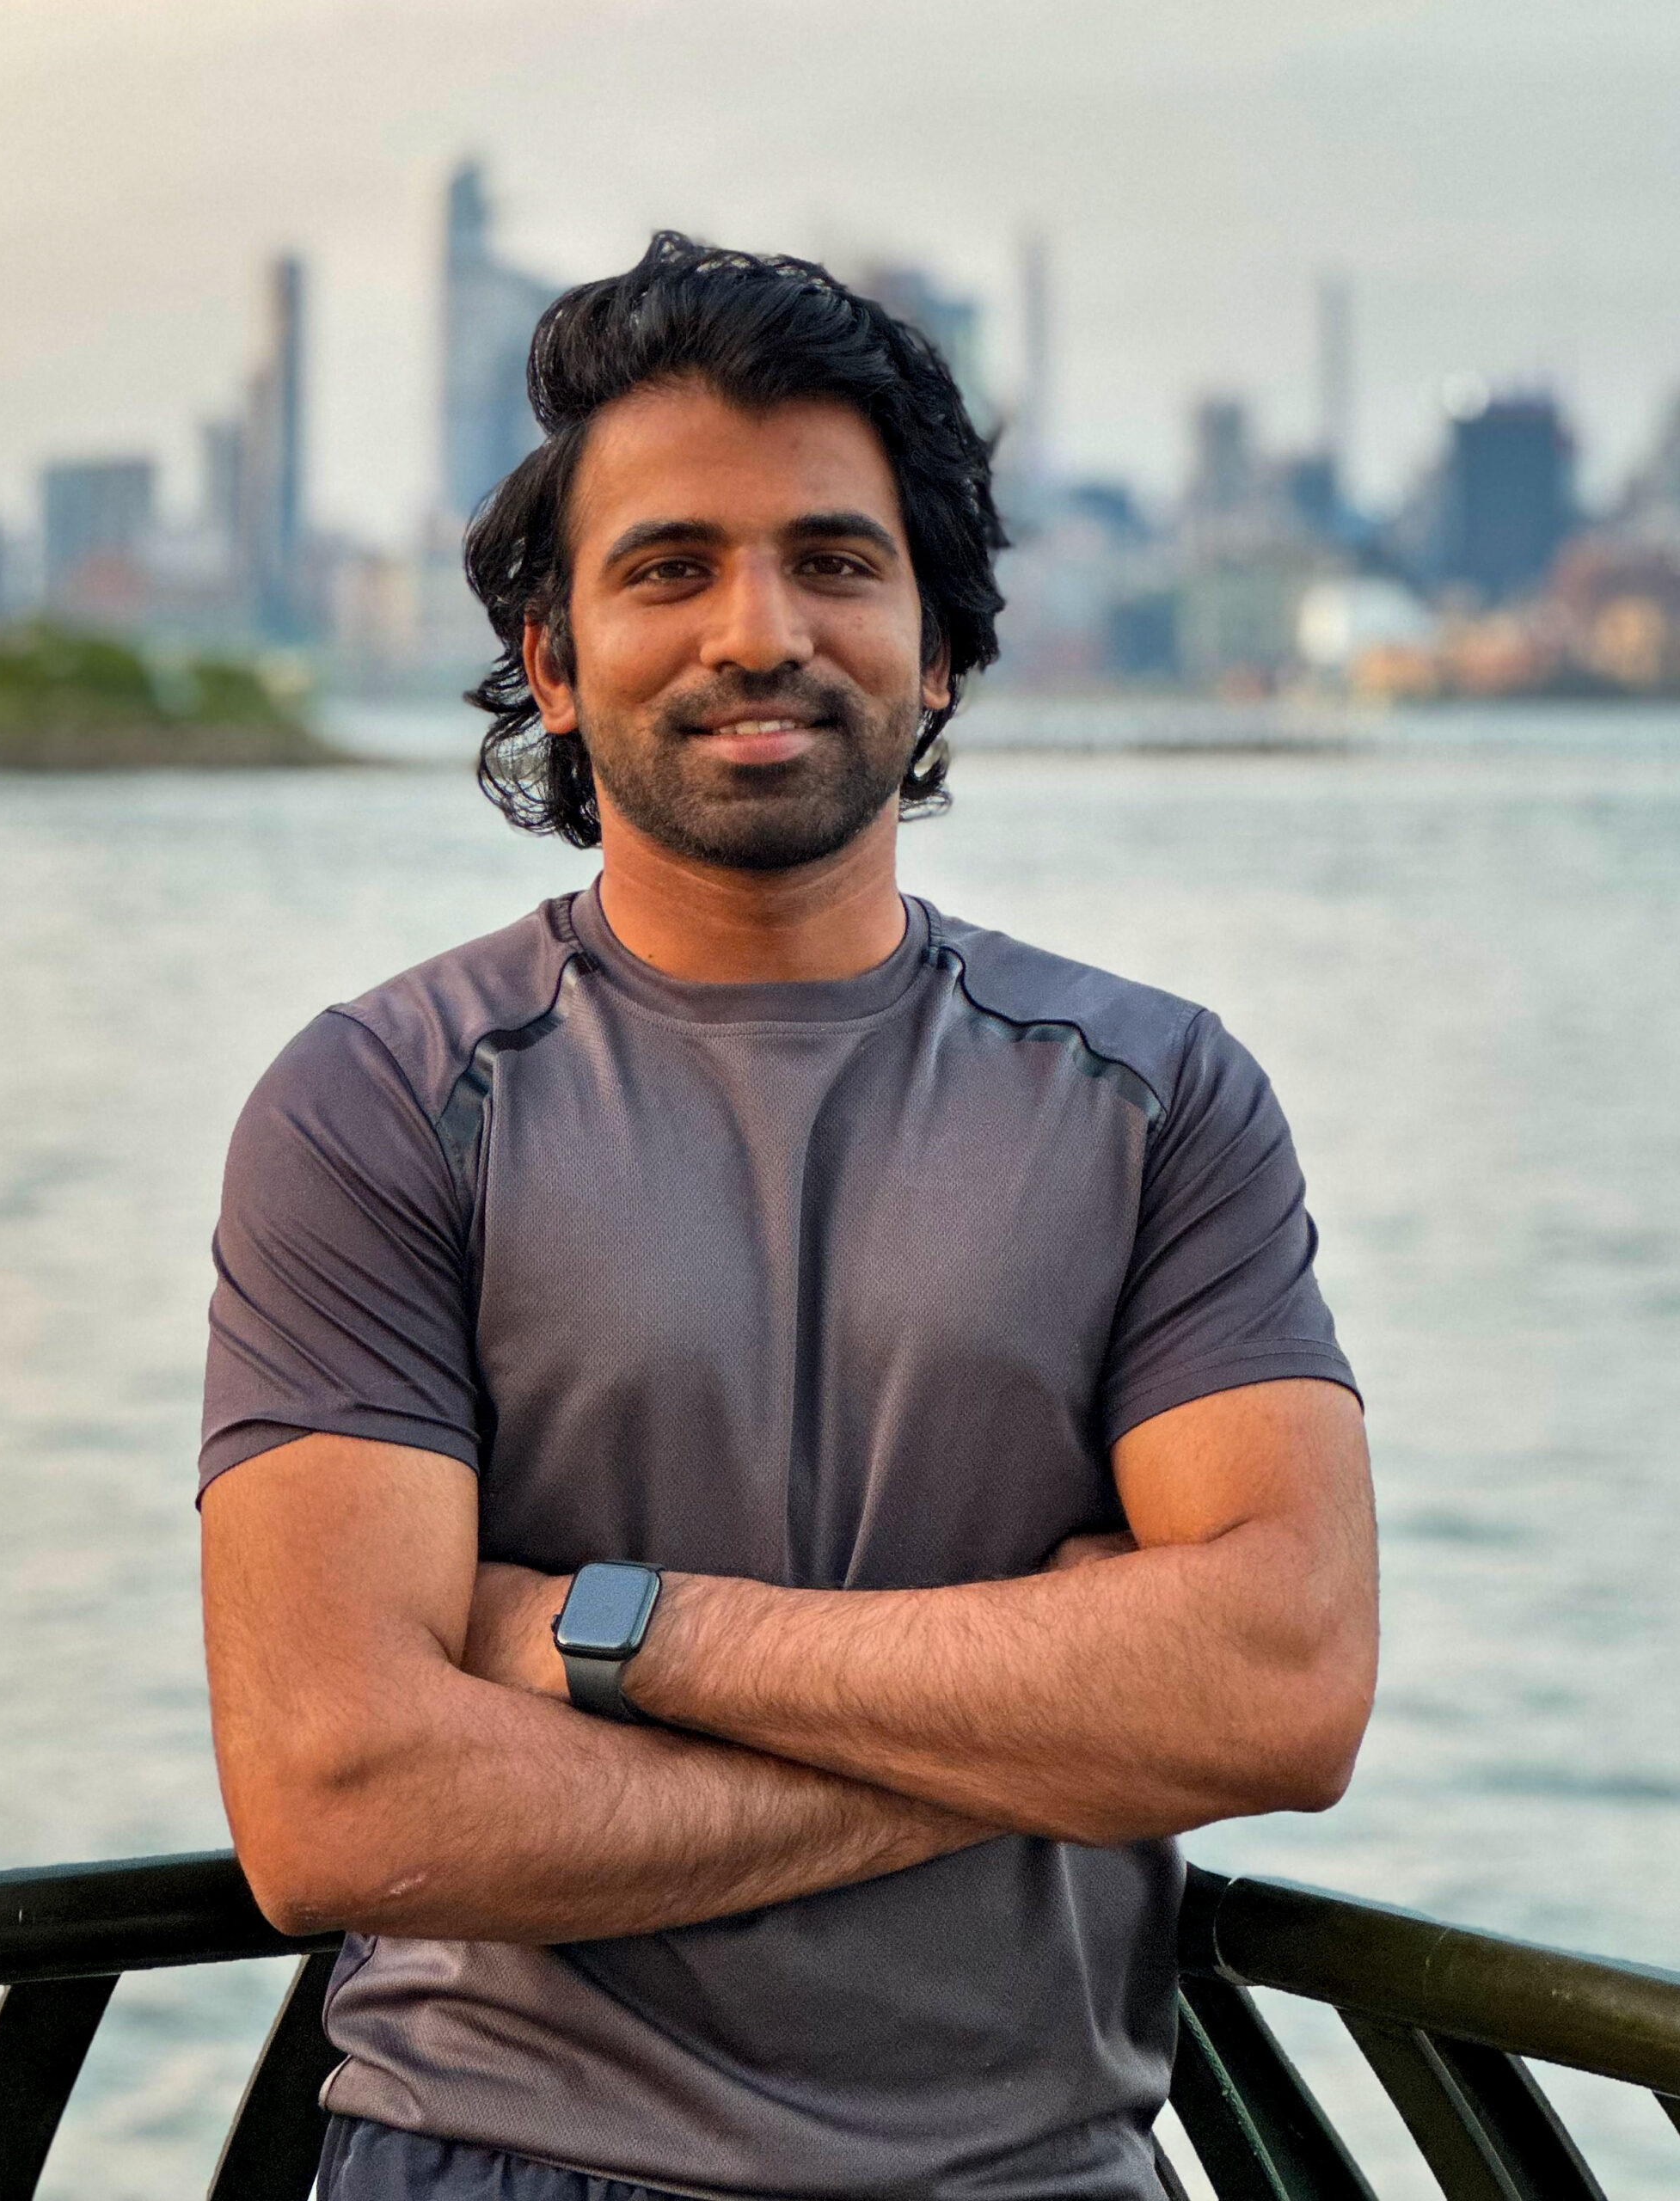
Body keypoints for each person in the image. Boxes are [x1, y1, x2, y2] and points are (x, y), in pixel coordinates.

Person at [199, 233, 1377, 2201]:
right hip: (494, 2158)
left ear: (940, 648)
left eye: (836, 561)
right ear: (556, 663)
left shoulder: (1156, 1094)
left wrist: (604, 1629)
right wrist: (1029, 1726)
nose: (759, 629)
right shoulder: (380, 1102)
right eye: (669, 567)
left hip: (1041, 2170)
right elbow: (338, 1797)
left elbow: (1280, 1680)